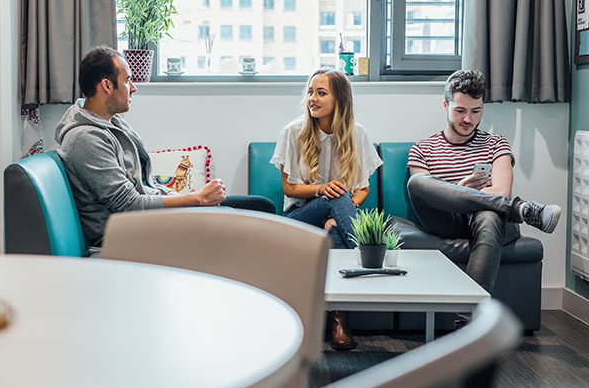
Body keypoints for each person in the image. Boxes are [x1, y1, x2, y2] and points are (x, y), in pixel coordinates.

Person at [55, 46, 275, 249]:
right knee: (241, 224)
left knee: (260, 207)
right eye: (128, 80)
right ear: (107, 85)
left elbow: (142, 188)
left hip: (148, 221)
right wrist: (197, 199)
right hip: (128, 233)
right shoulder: (85, 139)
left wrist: (190, 200)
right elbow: (129, 205)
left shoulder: (111, 123)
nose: (134, 88)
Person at [407, 69, 561, 307]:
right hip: (447, 220)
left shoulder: (496, 144)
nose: (468, 119)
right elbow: (425, 196)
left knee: (489, 215)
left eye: (475, 111)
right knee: (417, 182)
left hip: (491, 221)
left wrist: (467, 197)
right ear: (445, 105)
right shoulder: (422, 148)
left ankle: (469, 324)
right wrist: (458, 190)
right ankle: (522, 210)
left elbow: (501, 193)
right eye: (460, 111)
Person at [271, 69, 382, 350]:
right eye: (310, 92)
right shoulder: (293, 132)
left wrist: (338, 214)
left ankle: (335, 320)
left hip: (338, 215)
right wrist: (322, 191)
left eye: (321, 93)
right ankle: (367, 258)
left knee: (334, 232)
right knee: (336, 192)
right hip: (299, 217)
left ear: (340, 99)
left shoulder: (357, 134)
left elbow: (363, 189)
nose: (312, 98)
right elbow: (289, 189)